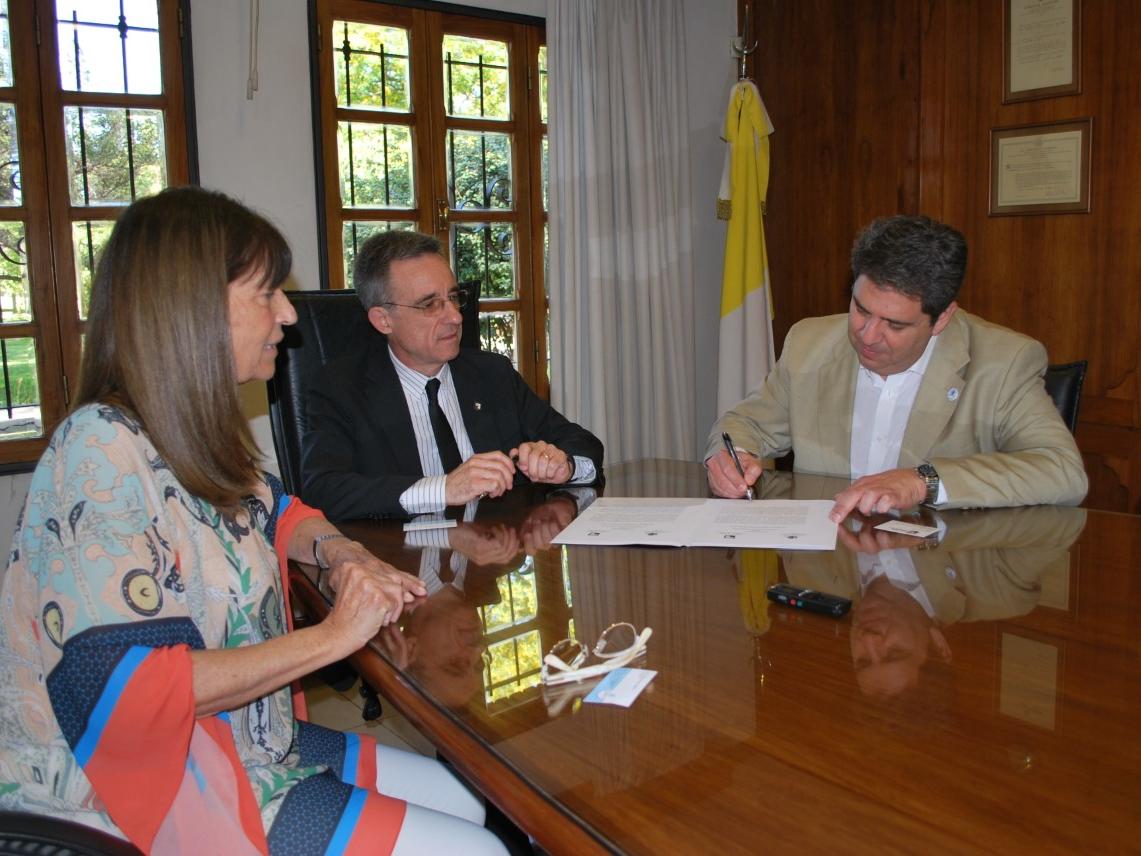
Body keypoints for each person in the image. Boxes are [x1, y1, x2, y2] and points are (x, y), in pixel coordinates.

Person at [0, 187, 507, 854]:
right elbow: (129, 695)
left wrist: (341, 553)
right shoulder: (99, 452)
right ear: (193, 309)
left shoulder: (186, 436)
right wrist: (334, 636)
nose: (288, 315)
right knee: (479, 848)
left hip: (241, 741)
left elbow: (278, 510)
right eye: (267, 294)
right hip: (139, 792)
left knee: (468, 799)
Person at [706, 215, 1088, 519]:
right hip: (831, 567)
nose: (868, 335)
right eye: (861, 309)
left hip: (940, 571)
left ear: (942, 318)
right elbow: (745, 424)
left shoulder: (1003, 363)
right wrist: (730, 458)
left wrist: (924, 482)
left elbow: (1062, 471)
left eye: (895, 325)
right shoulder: (810, 344)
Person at [300, 231, 604, 521]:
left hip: (494, 547)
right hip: (399, 553)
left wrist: (564, 466)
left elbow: (582, 443)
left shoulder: (491, 374)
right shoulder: (341, 388)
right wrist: (444, 489)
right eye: (430, 304)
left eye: (454, 297)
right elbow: (323, 489)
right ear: (383, 320)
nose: (456, 317)